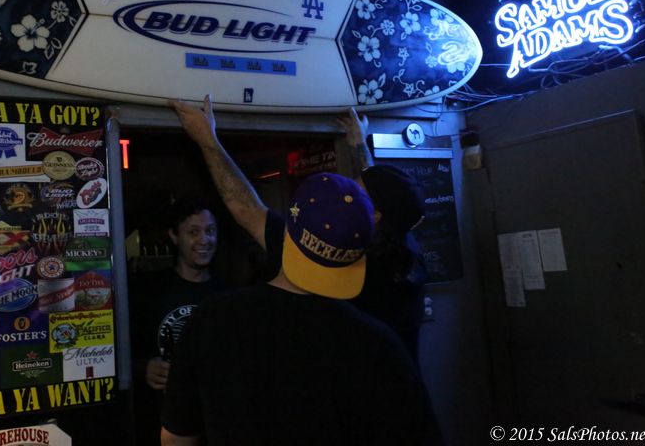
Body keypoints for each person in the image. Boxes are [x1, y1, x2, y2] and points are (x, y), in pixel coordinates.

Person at [162, 96, 443, 445]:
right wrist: (358, 147)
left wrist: (208, 139)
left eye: (358, 195)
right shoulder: (404, 260)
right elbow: (380, 206)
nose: (351, 198)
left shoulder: (219, 317)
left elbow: (246, 208)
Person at [129, 195, 226, 445]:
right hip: (159, 426)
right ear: (174, 236)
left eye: (210, 231)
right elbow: (116, 356)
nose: (204, 240)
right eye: (193, 232)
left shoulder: (229, 296)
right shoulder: (148, 292)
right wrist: (143, 368)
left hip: (214, 427)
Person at [337, 108, 429, 362]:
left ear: (375, 215)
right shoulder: (400, 238)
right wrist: (358, 143)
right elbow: (379, 190)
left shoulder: (379, 273)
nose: (346, 197)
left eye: (354, 195)